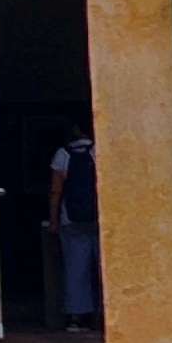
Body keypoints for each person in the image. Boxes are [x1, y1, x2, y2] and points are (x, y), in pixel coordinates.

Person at [48, 128, 101, 331]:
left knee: (75, 268)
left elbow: (55, 191)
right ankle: (104, 317)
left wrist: (54, 220)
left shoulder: (63, 154)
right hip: (99, 220)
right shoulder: (100, 151)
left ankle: (75, 318)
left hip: (71, 220)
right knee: (104, 269)